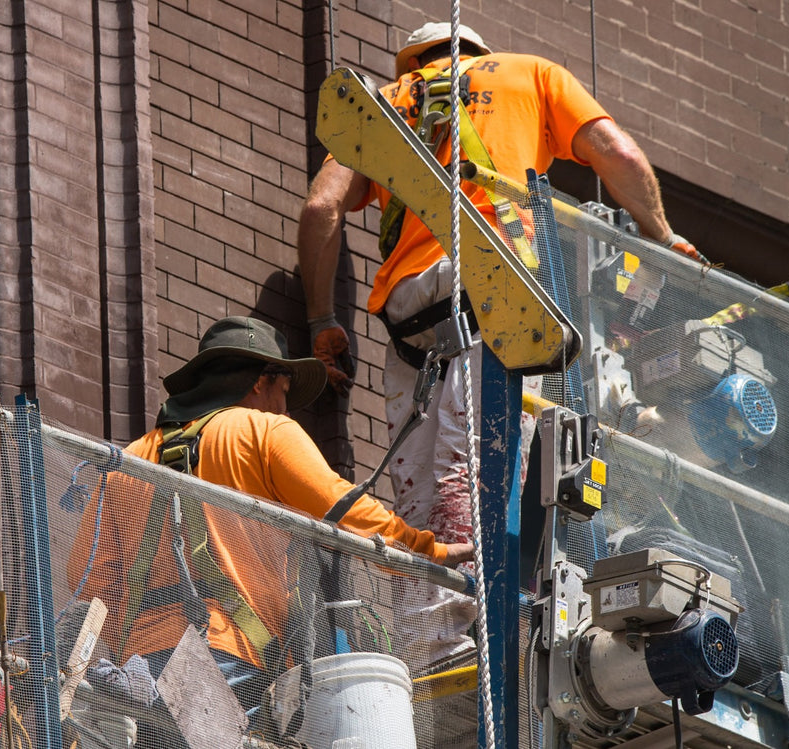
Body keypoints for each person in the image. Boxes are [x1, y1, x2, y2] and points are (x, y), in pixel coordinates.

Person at [296, 21, 704, 668]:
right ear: (479, 52)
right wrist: (662, 235)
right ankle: (474, 641)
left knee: (415, 490)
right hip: (494, 290)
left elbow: (321, 209)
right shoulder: (531, 75)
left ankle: (428, 646)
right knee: (474, 465)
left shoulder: (385, 102)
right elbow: (617, 153)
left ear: (415, 61)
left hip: (409, 322)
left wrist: (322, 319)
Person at [67, 315, 472, 735]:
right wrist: (428, 552)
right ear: (262, 381)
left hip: (139, 670)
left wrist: (141, 639)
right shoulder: (264, 431)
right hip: (230, 654)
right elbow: (344, 508)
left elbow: (86, 575)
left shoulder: (128, 459)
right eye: (283, 391)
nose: (284, 406)